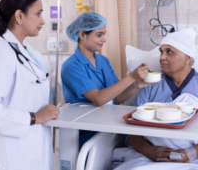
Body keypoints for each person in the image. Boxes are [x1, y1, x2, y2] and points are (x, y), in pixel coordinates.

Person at [114, 28, 198, 170]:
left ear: (187, 59)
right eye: (161, 52)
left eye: (169, 52)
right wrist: (148, 151)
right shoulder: (150, 86)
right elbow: (132, 131)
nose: (162, 57)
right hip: (151, 159)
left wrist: (189, 154)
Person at [0, 0, 60, 170]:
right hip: (10, 157)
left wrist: (51, 110)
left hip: (31, 150)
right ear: (19, 16)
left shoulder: (27, 53)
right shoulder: (1, 54)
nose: (43, 20)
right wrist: (34, 117)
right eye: (38, 13)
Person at [61, 11, 152, 148]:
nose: (104, 39)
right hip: (84, 131)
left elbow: (116, 98)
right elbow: (99, 98)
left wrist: (135, 85)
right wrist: (131, 76)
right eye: (99, 35)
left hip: (107, 127)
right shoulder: (71, 67)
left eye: (104, 34)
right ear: (82, 34)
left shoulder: (103, 61)